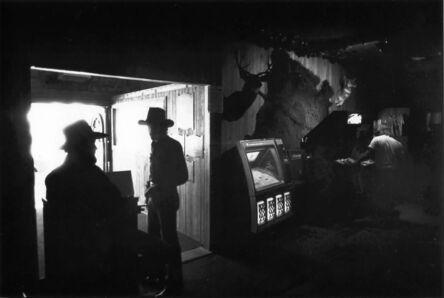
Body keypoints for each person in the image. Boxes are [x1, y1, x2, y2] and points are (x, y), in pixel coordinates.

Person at [44, 120, 137, 295]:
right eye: (92, 143)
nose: (95, 148)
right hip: (96, 253)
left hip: (66, 257)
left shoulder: (53, 177)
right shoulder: (93, 174)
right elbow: (116, 205)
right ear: (83, 146)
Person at [138, 108, 188, 294]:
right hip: (154, 198)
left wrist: (158, 186)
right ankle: (158, 275)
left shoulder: (173, 145)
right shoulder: (155, 144)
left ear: (160, 126)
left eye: (150, 125)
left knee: (169, 240)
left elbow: (183, 176)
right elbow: (156, 172)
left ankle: (175, 282)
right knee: (153, 237)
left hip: (166, 199)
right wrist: (149, 187)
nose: (149, 129)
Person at [352, 126, 405, 213]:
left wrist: (357, 160)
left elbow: (368, 154)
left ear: (379, 133)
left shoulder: (376, 139)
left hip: (381, 170)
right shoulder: (398, 143)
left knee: (380, 190)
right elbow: (402, 159)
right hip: (393, 171)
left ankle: (380, 211)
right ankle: (389, 210)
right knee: (390, 190)